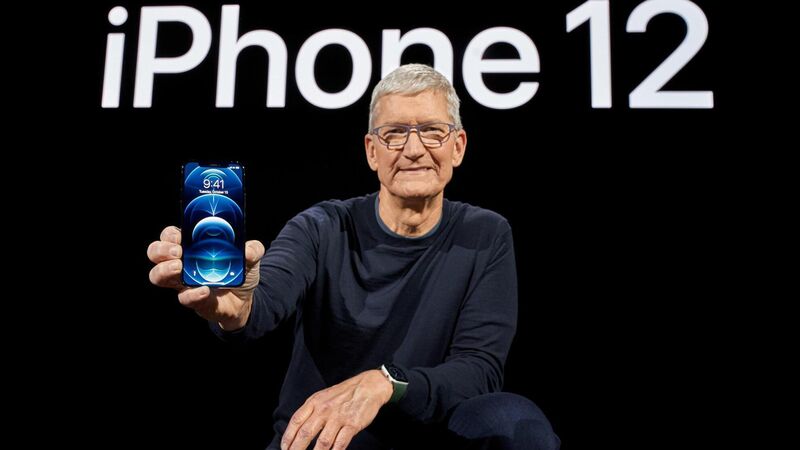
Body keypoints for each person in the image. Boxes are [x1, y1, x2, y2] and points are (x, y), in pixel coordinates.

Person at [147, 63, 560, 450]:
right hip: (327, 439)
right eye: (394, 133)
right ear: (372, 151)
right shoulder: (323, 226)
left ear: (458, 146)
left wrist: (385, 383)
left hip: (431, 436)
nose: (414, 149)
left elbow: (479, 371)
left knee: (512, 418)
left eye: (433, 131)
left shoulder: (486, 234)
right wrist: (237, 307)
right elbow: (265, 298)